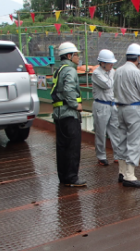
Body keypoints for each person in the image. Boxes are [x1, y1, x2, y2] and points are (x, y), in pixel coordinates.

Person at [113, 43, 140, 187]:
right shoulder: (136, 72)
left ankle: (121, 171)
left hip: (120, 108)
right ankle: (130, 175)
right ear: (138, 57)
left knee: (122, 140)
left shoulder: (118, 71)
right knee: (134, 141)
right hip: (133, 109)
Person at [51, 42, 86, 187]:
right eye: (76, 55)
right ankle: (72, 177)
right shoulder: (70, 71)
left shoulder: (59, 69)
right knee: (73, 147)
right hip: (69, 114)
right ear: (69, 56)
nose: (78, 57)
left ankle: (64, 178)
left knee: (62, 147)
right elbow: (69, 89)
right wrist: (75, 105)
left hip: (59, 114)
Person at [92, 49, 120, 166]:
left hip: (112, 104)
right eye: (109, 63)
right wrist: (114, 77)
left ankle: (118, 155)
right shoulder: (96, 73)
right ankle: (101, 156)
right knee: (100, 132)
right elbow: (108, 85)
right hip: (101, 105)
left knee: (115, 130)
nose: (112, 65)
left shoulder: (112, 71)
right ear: (102, 63)